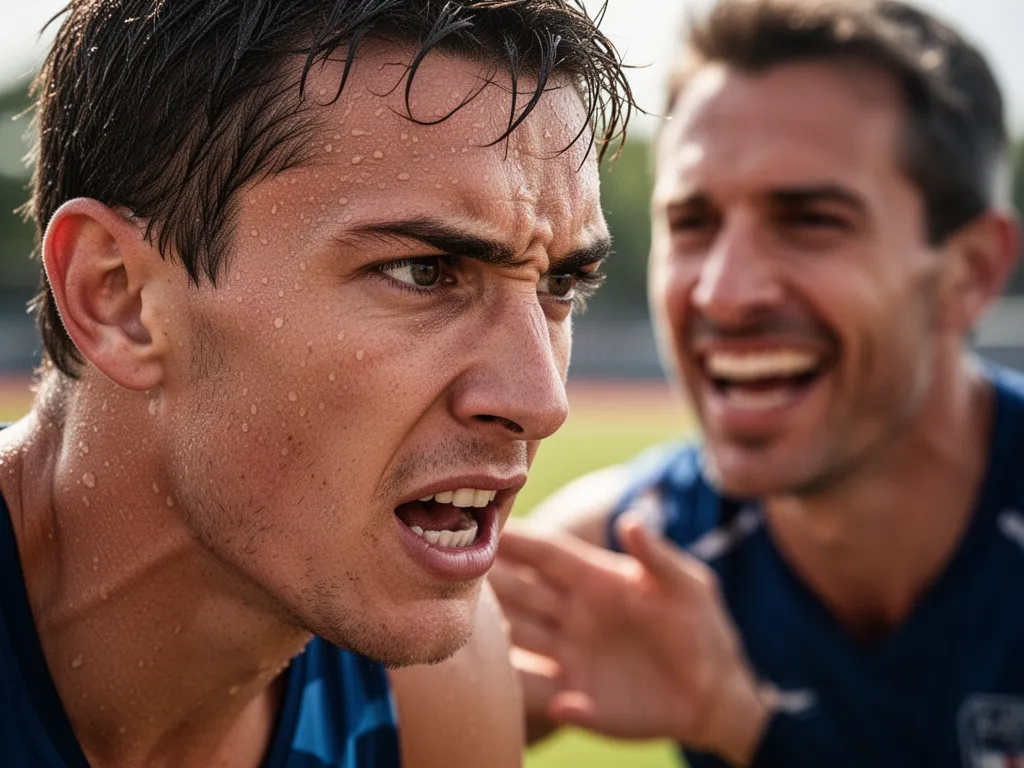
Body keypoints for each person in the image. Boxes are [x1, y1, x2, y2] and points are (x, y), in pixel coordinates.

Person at [0, 1, 634, 766]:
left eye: (559, 284)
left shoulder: (432, 694)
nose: (541, 401)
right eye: (422, 273)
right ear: (119, 298)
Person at [491, 0, 1024, 765]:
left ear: (969, 272)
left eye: (810, 220)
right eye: (693, 222)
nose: (724, 293)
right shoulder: (639, 551)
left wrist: (746, 727)